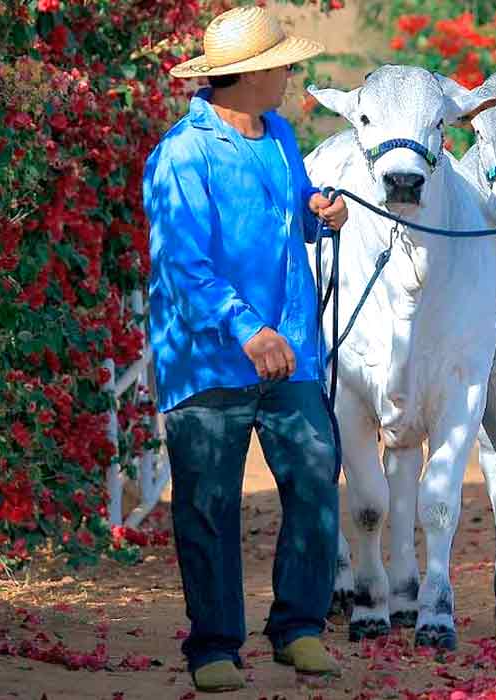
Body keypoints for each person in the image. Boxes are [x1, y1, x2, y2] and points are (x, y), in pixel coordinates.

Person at [142, 5, 349, 693]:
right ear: (249, 75)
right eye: (282, 64)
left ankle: (299, 629)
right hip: (209, 360)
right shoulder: (183, 153)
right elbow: (183, 263)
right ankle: (213, 645)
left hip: (288, 349)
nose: (291, 73)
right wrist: (244, 328)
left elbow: (291, 212)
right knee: (207, 501)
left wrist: (322, 212)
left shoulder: (280, 135)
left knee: (317, 473)